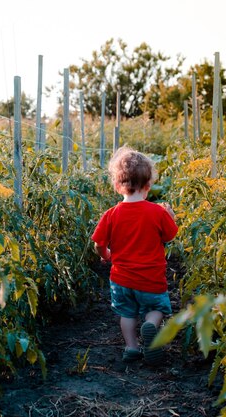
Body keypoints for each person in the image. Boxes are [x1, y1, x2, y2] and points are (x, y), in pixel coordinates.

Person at [91, 146, 178, 365]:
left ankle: (131, 347)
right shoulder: (157, 212)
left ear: (117, 185)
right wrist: (170, 216)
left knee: (127, 314)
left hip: (121, 279)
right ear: (148, 185)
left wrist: (107, 255)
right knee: (157, 308)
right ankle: (150, 325)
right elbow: (170, 235)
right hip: (151, 278)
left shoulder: (111, 214)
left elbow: (98, 244)